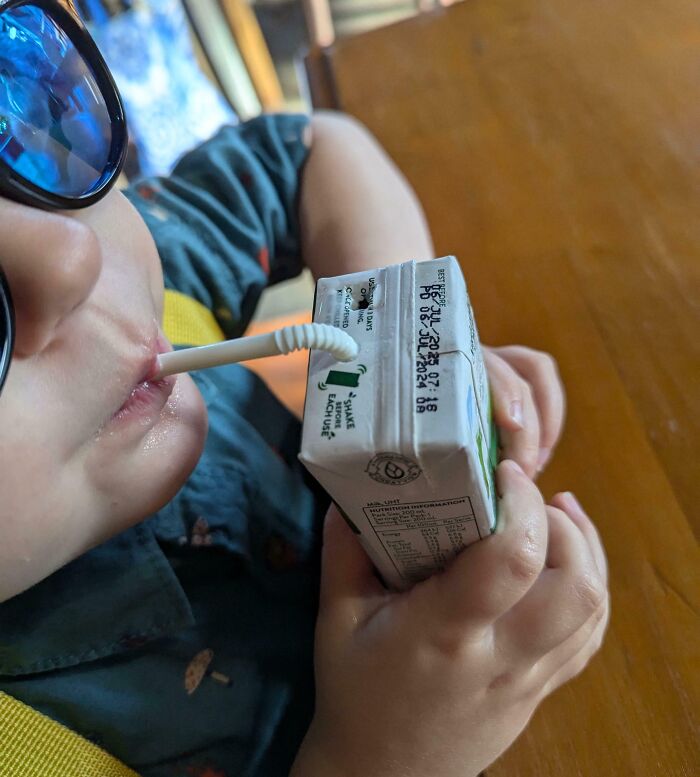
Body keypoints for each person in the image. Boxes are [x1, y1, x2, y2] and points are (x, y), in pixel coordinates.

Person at [0, 2, 609, 776]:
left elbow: (312, 149)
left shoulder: (150, 275)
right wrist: (379, 756)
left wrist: (402, 335)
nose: (71, 257)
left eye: (14, 106)